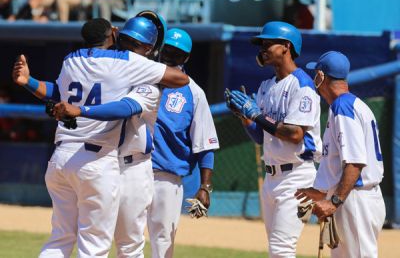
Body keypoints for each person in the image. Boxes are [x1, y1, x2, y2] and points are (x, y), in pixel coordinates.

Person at [12, 18, 189, 258]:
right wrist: (81, 110)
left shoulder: (71, 59)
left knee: (61, 238)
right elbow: (176, 81)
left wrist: (29, 82)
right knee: (95, 245)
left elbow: (59, 92)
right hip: (96, 162)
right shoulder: (127, 63)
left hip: (67, 158)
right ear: (113, 35)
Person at [225, 21, 321, 257]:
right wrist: (244, 117)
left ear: (286, 46)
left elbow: (295, 134)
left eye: (268, 43)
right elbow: (260, 136)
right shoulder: (266, 86)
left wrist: (256, 114)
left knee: (281, 249)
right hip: (272, 179)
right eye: (262, 44)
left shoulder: (303, 85)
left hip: (297, 177)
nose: (263, 48)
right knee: (276, 249)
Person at [295, 51, 386, 258]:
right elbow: (338, 162)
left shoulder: (343, 106)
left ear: (321, 76)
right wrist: (319, 192)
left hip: (355, 200)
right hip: (352, 197)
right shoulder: (349, 105)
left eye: (315, 74)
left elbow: (355, 162)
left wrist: (333, 202)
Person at [147, 28, 219, 258]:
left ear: (186, 58)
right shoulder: (140, 76)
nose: (170, 55)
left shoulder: (194, 92)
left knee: (163, 241)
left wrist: (205, 186)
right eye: (167, 49)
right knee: (128, 236)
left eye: (177, 53)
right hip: (131, 169)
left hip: (167, 178)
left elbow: (205, 143)